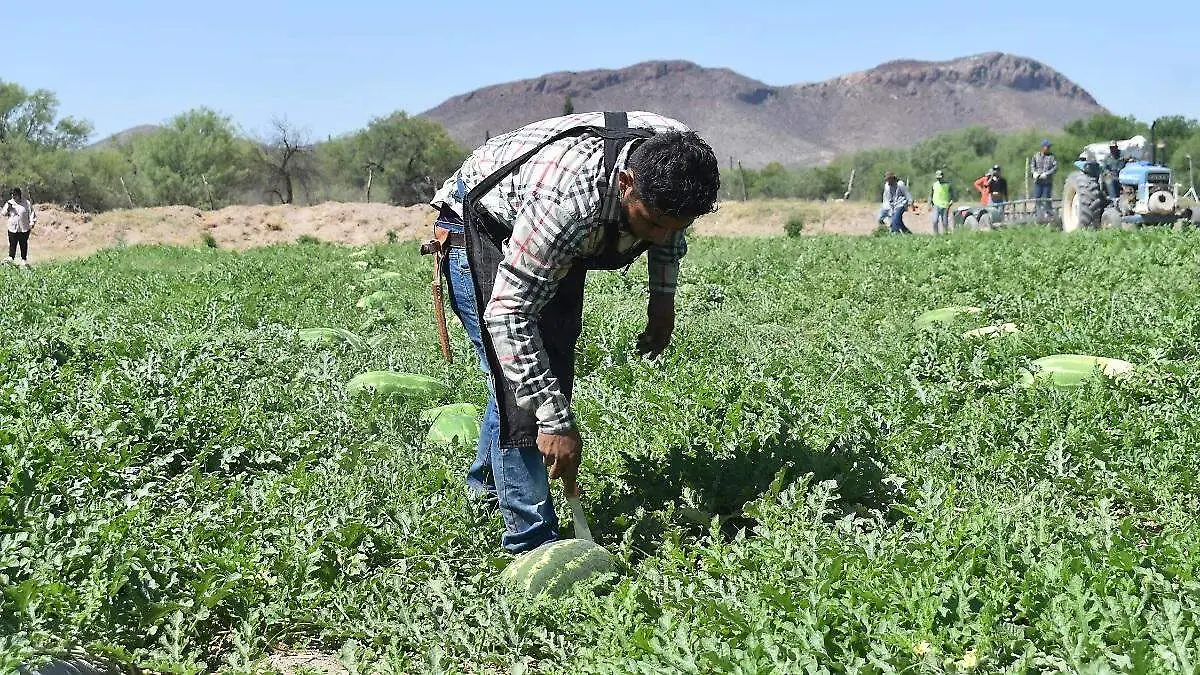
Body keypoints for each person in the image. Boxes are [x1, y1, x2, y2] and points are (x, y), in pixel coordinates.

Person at [427, 111, 720, 554]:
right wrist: (555, 422)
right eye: (652, 222)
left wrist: (662, 300)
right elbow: (508, 314)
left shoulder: (680, 160)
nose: (660, 237)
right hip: (480, 220)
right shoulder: (567, 204)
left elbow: (669, 228)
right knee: (518, 388)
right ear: (626, 184)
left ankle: (486, 489)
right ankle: (530, 541)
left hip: (550, 230)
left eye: (675, 227)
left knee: (544, 368)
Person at [2, 188, 37, 265]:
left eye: (15, 195)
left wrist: (32, 222)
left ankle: (24, 260)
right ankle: (11, 258)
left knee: (23, 244)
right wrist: (8, 209)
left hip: (24, 228)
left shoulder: (26, 203)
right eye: (12, 195)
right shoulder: (9, 203)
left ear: (19, 195)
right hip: (12, 228)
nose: (13, 197)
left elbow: (31, 213)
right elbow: (3, 213)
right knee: (12, 244)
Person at [1030, 140, 1058, 221]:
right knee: (1037, 199)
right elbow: (1032, 165)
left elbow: (1055, 168)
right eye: (1047, 147)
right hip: (1038, 182)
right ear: (1043, 147)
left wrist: (1047, 174)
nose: (1049, 148)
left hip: (1047, 182)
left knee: (1047, 199)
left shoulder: (1052, 157)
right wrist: (1034, 172)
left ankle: (1049, 216)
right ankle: (1038, 215)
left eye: (1049, 147)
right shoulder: (1036, 156)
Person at [928, 170, 954, 235]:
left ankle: (945, 234)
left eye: (940, 178)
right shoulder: (934, 185)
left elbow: (952, 194)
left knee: (945, 222)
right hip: (936, 205)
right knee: (935, 220)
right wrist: (929, 204)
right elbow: (930, 195)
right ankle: (936, 234)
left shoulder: (948, 185)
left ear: (943, 177)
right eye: (938, 178)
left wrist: (951, 201)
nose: (939, 179)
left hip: (945, 205)